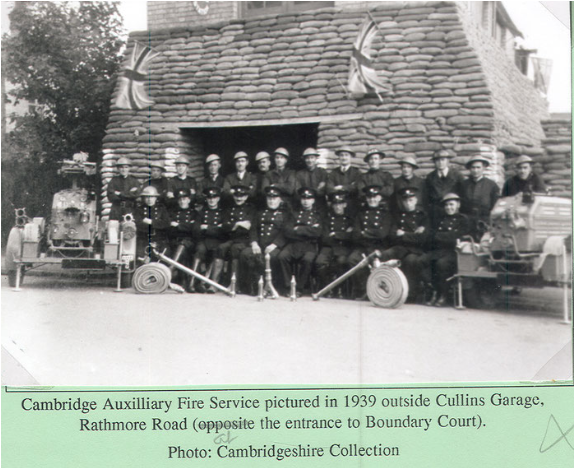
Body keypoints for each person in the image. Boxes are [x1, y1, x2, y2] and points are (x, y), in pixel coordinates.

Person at [416, 193, 470, 307]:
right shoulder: (440, 219)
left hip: (454, 251)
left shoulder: (463, 219)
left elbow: (457, 236)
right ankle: (433, 289)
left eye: (451, 204)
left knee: (442, 264)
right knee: (420, 261)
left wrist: (439, 236)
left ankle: (443, 294)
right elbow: (431, 234)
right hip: (439, 250)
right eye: (446, 205)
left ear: (458, 205)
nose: (448, 207)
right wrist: (441, 236)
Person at [379, 187, 429, 302]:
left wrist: (404, 234)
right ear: (402, 202)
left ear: (416, 200)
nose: (408, 203)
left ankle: (411, 294)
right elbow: (392, 235)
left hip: (416, 249)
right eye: (405, 200)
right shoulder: (398, 216)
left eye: (411, 200)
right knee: (386, 254)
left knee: (410, 261)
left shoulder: (422, 216)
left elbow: (423, 238)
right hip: (400, 247)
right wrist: (413, 235)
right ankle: (385, 289)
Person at [240, 185, 290, 295]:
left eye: (274, 198)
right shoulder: (260, 213)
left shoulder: (285, 214)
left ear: (280, 199)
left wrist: (275, 245)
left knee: (273, 257)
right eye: (269, 198)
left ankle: (272, 286)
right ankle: (250, 286)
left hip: (275, 246)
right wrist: (254, 243)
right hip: (260, 245)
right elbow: (253, 229)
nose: (271, 201)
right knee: (245, 254)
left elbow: (285, 232)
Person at [347, 185, 392, 299]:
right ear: (366, 199)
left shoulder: (385, 214)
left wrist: (365, 232)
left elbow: (383, 233)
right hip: (363, 247)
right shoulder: (361, 214)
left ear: (379, 198)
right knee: (352, 259)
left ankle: (378, 290)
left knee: (378, 262)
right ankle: (364, 290)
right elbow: (355, 235)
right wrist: (372, 233)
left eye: (375, 197)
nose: (372, 199)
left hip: (379, 247)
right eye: (369, 197)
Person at [278, 187, 322, 297]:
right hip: (293, 244)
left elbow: (317, 232)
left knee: (307, 260)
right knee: (282, 256)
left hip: (310, 245)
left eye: (309, 199)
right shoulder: (294, 213)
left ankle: (300, 288)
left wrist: (298, 229)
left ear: (313, 200)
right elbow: (287, 231)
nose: (306, 201)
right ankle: (288, 286)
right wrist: (308, 230)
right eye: (303, 198)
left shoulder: (318, 215)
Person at [314, 190, 354, 297]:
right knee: (319, 262)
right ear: (332, 206)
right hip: (328, 247)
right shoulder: (327, 219)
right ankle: (327, 288)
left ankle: (340, 289)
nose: (337, 207)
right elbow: (324, 238)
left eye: (340, 204)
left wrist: (336, 234)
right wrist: (343, 235)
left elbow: (352, 237)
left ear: (345, 205)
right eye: (335, 204)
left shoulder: (350, 219)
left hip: (343, 248)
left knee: (341, 261)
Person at [218, 185, 256, 293]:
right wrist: (238, 224)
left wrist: (233, 225)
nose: (239, 198)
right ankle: (215, 282)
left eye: (242, 196)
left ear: (246, 197)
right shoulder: (229, 209)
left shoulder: (251, 209)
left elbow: (249, 226)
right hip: (232, 238)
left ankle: (234, 283)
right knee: (221, 248)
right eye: (236, 196)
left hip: (245, 240)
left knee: (235, 249)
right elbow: (225, 226)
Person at [191, 187, 225, 293]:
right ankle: (192, 282)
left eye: (214, 197)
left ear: (218, 199)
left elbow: (224, 231)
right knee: (199, 251)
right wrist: (215, 228)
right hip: (204, 240)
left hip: (218, 241)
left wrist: (207, 228)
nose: (211, 200)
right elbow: (196, 230)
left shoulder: (223, 212)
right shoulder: (201, 213)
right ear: (206, 199)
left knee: (218, 251)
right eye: (209, 198)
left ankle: (213, 284)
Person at [460, 155, 500, 240]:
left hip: (485, 222)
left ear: (484, 168)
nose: (475, 170)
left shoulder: (491, 185)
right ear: (469, 169)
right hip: (467, 222)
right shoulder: (463, 185)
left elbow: (495, 206)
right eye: (473, 168)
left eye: (478, 167)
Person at [424, 149, 464, 228]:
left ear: (448, 161)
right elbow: (427, 196)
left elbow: (462, 193)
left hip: (452, 210)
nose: (440, 163)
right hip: (436, 212)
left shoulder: (457, 175)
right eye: (437, 160)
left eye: (443, 160)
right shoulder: (430, 177)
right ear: (434, 162)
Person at [134, 185, 170, 264]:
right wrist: (157, 223)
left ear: (156, 198)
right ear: (143, 198)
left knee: (163, 260)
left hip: (159, 239)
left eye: (152, 197)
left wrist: (151, 222)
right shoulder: (139, 209)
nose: (149, 199)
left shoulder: (161, 208)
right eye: (147, 197)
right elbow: (138, 225)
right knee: (140, 260)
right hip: (144, 239)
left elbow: (166, 223)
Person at [168, 188, 196, 287]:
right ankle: (183, 281)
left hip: (189, 241)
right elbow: (169, 228)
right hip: (174, 240)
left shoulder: (194, 213)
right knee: (180, 248)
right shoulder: (173, 212)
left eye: (184, 199)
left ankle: (169, 272)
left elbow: (194, 229)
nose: (182, 202)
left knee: (182, 245)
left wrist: (178, 225)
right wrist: (186, 226)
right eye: (180, 199)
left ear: (189, 200)